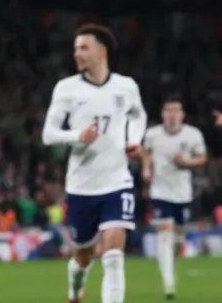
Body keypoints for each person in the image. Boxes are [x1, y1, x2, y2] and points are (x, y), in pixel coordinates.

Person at [42, 24, 147, 303]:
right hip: (81, 186)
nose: (77, 54)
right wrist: (78, 136)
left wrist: (134, 139)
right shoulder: (67, 89)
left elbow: (138, 115)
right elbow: (48, 134)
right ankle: (75, 290)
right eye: (75, 48)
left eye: (84, 48)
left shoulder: (126, 86)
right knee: (84, 256)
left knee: (113, 256)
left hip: (116, 181)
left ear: (102, 50)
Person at [141, 94, 207, 300]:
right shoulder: (153, 134)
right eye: (168, 111)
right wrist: (146, 168)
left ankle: (175, 254)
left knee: (177, 236)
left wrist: (187, 162)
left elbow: (202, 158)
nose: (172, 115)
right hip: (160, 191)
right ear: (162, 114)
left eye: (175, 111)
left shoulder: (192, 134)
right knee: (164, 232)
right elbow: (146, 152)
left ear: (182, 114)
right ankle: (168, 284)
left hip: (182, 193)